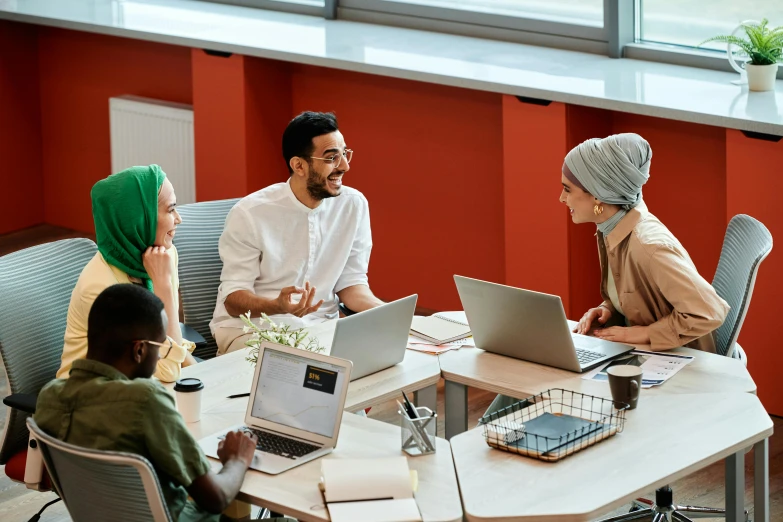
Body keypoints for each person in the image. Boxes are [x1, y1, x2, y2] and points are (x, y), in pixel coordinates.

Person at [486, 133, 729, 415]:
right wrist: (607, 309)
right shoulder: (612, 227)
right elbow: (639, 296)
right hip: (645, 355)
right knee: (535, 371)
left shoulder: (648, 246)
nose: (561, 198)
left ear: (597, 194)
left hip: (676, 366)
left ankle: (481, 447)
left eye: (567, 189)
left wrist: (642, 333)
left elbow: (710, 312)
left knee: (541, 378)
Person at [35, 285, 297, 522]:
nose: (161, 354)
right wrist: (238, 459)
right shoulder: (144, 400)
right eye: (160, 346)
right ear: (139, 350)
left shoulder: (49, 397)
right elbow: (215, 498)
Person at [211, 111, 384, 354]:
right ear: (299, 165)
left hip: (321, 329)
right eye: (332, 158)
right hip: (254, 330)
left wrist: (391, 315)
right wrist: (277, 306)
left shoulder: (353, 205)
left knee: (386, 369)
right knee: (320, 375)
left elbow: (352, 284)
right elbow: (233, 300)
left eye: (344, 153)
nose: (344, 165)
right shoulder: (250, 213)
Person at [58, 165, 197, 382]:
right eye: (171, 210)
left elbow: (170, 351)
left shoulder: (164, 255)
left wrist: (203, 372)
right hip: (91, 399)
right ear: (140, 217)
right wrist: (164, 288)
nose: (179, 219)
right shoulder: (103, 288)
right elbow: (167, 372)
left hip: (139, 386)